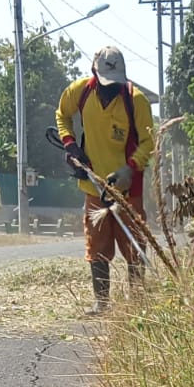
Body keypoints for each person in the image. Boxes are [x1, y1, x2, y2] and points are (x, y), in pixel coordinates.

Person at [55, 45, 155, 314]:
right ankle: (102, 302)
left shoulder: (137, 100)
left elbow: (149, 141)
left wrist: (130, 167)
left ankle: (138, 302)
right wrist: (71, 145)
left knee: (134, 245)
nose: (110, 89)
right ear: (94, 74)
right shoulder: (80, 92)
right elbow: (62, 115)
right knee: (96, 245)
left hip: (127, 189)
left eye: (115, 84)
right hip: (93, 185)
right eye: (105, 83)